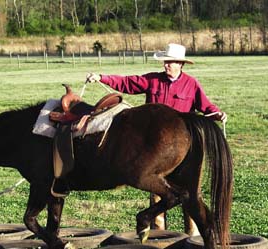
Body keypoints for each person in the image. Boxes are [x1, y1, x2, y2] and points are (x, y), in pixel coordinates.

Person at [86, 43, 227, 231]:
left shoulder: (191, 84)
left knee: (190, 193)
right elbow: (127, 82)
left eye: (170, 62)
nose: (166, 65)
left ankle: (191, 236)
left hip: (183, 148)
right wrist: (102, 77)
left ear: (180, 64)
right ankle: (159, 235)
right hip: (155, 148)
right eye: (165, 62)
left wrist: (217, 114)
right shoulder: (153, 80)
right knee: (157, 190)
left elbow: (206, 106)